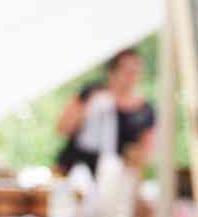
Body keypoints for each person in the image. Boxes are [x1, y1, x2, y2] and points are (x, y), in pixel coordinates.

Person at [55, 48, 156, 176]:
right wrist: (88, 110)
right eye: (127, 70)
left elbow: (146, 152)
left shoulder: (145, 110)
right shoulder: (91, 93)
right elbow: (62, 129)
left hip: (112, 176)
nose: (132, 76)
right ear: (112, 71)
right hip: (74, 169)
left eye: (136, 71)